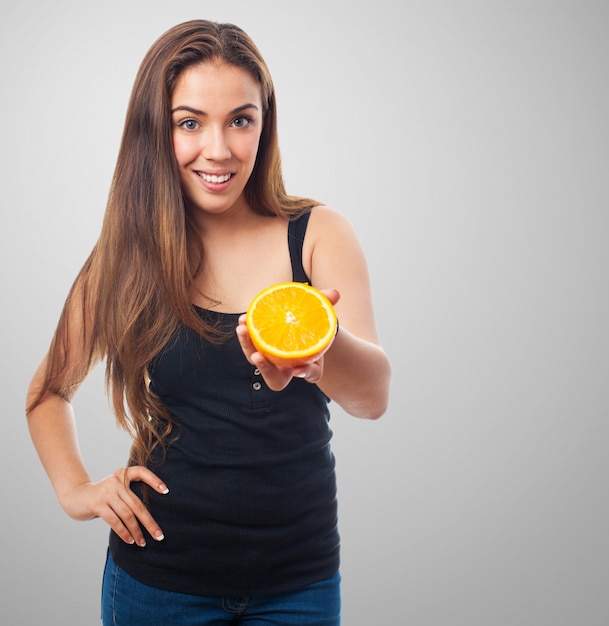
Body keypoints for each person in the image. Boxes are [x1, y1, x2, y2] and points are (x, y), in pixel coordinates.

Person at [25, 19, 391, 626]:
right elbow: (49, 392)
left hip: (298, 584)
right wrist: (76, 491)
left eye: (240, 120)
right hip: (158, 585)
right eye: (189, 122)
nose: (217, 150)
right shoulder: (128, 252)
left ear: (263, 127)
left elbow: (373, 397)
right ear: (156, 130)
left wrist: (317, 356)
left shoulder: (319, 233)